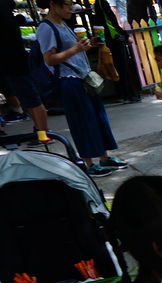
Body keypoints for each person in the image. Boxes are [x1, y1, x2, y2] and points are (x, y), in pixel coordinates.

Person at [36, 0, 126, 177]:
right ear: (54, 4)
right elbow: (49, 59)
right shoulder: (46, 28)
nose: (71, 8)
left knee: (98, 118)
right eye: (67, 4)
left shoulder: (62, 23)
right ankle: (89, 164)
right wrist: (76, 49)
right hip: (69, 81)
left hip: (82, 78)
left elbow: (71, 50)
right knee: (82, 121)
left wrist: (88, 44)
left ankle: (104, 158)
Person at [0, 0, 51, 143]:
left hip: (13, 62)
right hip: (13, 61)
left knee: (31, 99)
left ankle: (43, 134)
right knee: (28, 100)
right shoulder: (7, 15)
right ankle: (40, 132)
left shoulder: (5, 18)